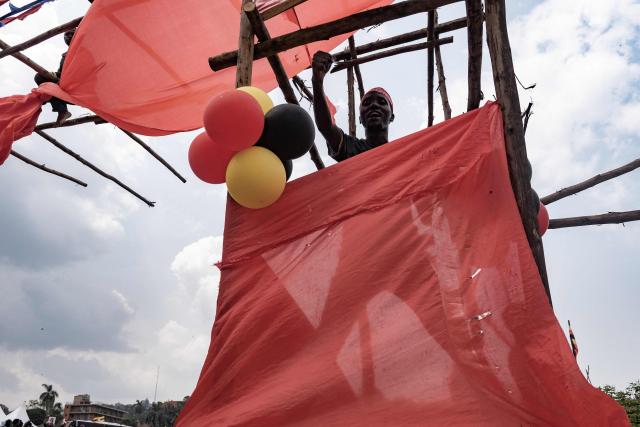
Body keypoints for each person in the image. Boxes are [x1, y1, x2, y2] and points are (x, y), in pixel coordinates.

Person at [312, 51, 395, 162]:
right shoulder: (352, 147)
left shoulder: (403, 155)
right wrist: (317, 82)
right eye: (366, 103)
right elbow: (326, 127)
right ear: (360, 119)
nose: (374, 105)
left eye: (381, 102)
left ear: (392, 117)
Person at [34, 29, 75, 124]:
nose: (68, 36)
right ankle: (62, 110)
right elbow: (61, 72)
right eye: (66, 34)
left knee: (42, 80)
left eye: (71, 34)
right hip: (65, 87)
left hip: (79, 85)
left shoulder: (83, 49)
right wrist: (55, 75)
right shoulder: (65, 55)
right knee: (40, 78)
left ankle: (59, 107)